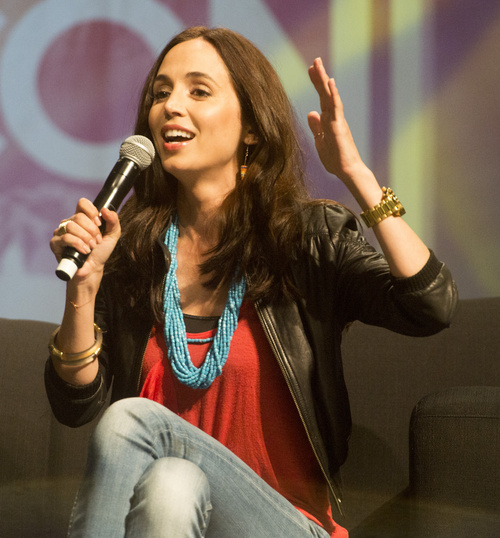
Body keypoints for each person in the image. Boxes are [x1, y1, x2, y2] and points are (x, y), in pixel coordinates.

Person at [46, 26, 457, 538]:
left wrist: (355, 173)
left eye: (198, 91)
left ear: (252, 129)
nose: (171, 106)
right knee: (172, 485)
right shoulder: (129, 251)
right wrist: (82, 289)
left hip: (285, 525)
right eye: (160, 92)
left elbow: (430, 306)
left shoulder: (308, 238)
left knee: (133, 420)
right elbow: (75, 405)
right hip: (166, 518)